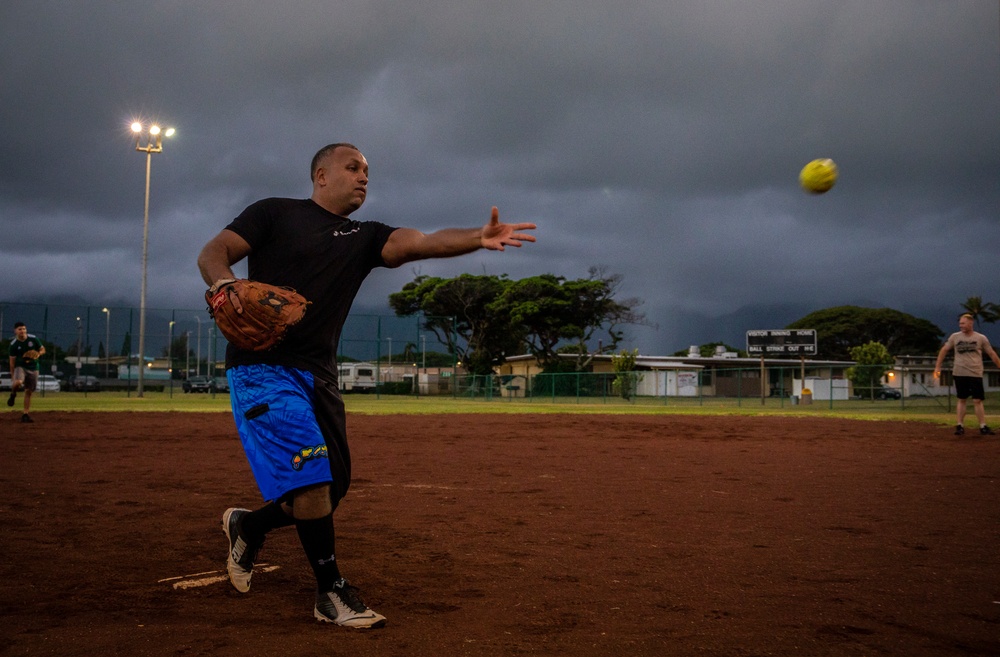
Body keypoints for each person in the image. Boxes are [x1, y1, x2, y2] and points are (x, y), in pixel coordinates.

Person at [197, 142, 536, 628]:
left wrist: (476, 238)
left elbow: (421, 241)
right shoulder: (274, 213)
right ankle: (330, 593)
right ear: (320, 175)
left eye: (368, 171)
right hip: (262, 371)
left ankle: (248, 524)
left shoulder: (364, 236)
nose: (363, 177)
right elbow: (214, 252)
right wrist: (224, 284)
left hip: (318, 377)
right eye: (353, 168)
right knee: (312, 482)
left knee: (330, 489)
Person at [934, 313, 1000, 436]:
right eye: (960, 323)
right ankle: (960, 425)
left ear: (971, 323)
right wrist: (938, 367)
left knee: (977, 400)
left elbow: (991, 353)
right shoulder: (955, 337)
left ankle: (982, 426)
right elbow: (944, 350)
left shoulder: (980, 338)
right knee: (962, 398)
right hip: (960, 372)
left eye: (963, 323)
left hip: (975, 372)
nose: (961, 326)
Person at [7, 322, 46, 423]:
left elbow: (42, 349)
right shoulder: (14, 345)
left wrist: (38, 353)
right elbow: (12, 363)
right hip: (21, 367)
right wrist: (12, 376)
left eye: (24, 329)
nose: (22, 331)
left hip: (34, 368)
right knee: (18, 382)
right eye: (20, 329)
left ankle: (25, 414)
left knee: (28, 391)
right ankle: (13, 394)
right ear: (15, 331)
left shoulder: (33, 339)